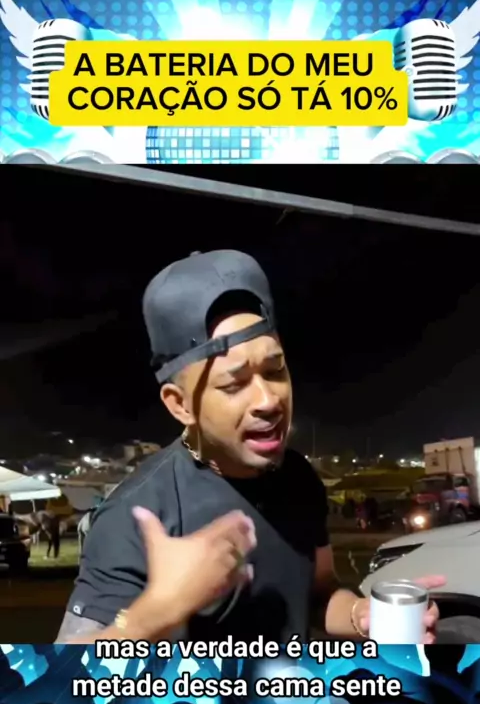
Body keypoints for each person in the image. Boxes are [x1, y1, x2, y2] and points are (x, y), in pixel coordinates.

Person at [56, 250, 443, 645]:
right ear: (180, 404)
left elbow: (318, 592)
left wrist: (362, 615)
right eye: (234, 384)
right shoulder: (135, 516)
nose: (268, 400)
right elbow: (63, 674)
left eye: (275, 371)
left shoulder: (298, 477)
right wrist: (155, 613)